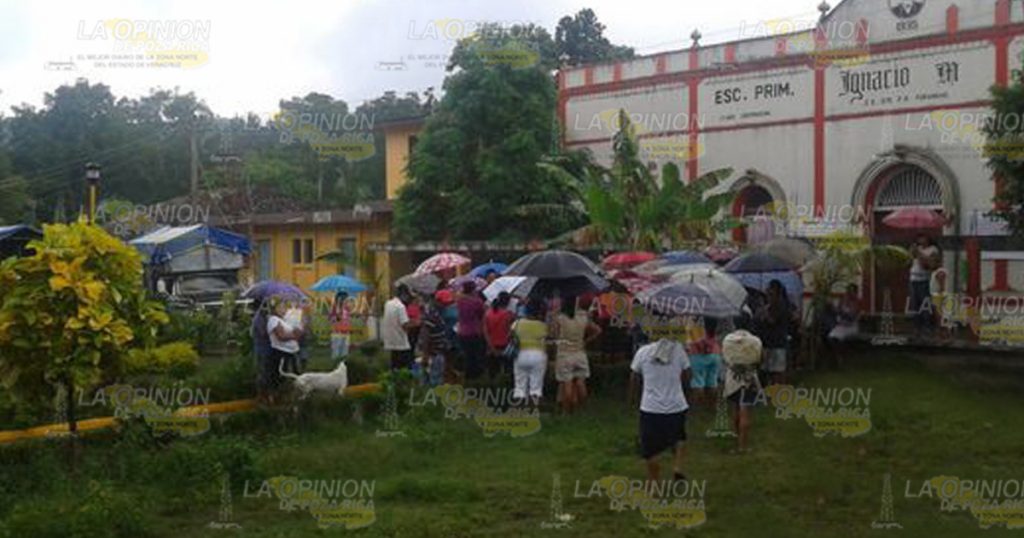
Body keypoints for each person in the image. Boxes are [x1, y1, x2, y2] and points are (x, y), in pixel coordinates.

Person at [629, 338, 691, 482]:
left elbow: (634, 378)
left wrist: (632, 400)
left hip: (650, 408)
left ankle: (654, 481)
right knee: (679, 437)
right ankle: (678, 468)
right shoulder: (678, 350)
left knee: (650, 449)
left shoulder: (642, 352)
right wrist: (687, 394)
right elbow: (688, 374)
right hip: (676, 405)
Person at [553, 295, 602, 414]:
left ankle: (566, 412)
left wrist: (556, 312)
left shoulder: (561, 318)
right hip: (580, 353)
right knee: (581, 382)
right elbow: (598, 330)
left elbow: (554, 333)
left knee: (567, 383)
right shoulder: (583, 317)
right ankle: (583, 408)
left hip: (564, 354)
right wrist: (586, 341)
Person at [722, 330, 763, 454]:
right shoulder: (754, 341)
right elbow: (759, 360)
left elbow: (725, 359)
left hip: (732, 381)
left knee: (735, 411)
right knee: (745, 413)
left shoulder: (728, 341)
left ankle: (737, 439)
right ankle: (742, 446)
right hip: (748, 380)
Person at [512, 298, 550, 408]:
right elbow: (547, 338)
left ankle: (519, 409)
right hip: (538, 355)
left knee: (519, 384)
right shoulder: (542, 326)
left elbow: (510, 336)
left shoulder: (517, 323)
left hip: (520, 354)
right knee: (536, 385)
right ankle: (534, 409)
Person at [757, 280, 791, 386]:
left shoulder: (781, 305)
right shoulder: (769, 306)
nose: (768, 293)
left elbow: (772, 321)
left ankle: (779, 391)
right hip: (768, 341)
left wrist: (765, 310)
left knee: (777, 370)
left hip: (777, 342)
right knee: (768, 369)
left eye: (770, 291)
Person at [267, 297, 304, 391]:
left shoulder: (284, 320)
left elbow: (295, 331)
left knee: (294, 375)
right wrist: (294, 336)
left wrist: (297, 331)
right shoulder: (274, 320)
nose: (283, 310)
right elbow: (281, 336)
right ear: (274, 309)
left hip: (292, 351)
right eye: (280, 307)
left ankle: (294, 392)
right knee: (282, 375)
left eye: (284, 307)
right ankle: (279, 394)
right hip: (281, 353)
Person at [909, 234, 941, 338]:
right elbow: (910, 260)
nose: (920, 240)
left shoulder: (933, 250)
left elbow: (927, 265)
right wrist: (913, 251)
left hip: (924, 280)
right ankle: (916, 328)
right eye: (919, 237)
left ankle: (927, 328)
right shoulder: (918, 248)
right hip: (913, 279)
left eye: (923, 237)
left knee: (925, 305)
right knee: (914, 305)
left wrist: (919, 254)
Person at [688, 318, 722, 408]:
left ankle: (698, 406)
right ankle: (712, 404)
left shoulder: (695, 328)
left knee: (698, 380)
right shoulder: (715, 327)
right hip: (715, 354)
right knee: (712, 381)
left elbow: (693, 341)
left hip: (697, 355)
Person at [456, 281, 487, 382]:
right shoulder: (477, 302)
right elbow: (483, 315)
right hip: (475, 331)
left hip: (462, 331)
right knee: (476, 356)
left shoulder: (460, 301)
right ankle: (476, 378)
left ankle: (467, 378)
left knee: (467, 355)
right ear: (473, 289)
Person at [484, 292, 516, 380]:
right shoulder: (509, 315)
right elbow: (512, 331)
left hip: (491, 346)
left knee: (492, 373)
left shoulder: (488, 314)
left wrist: (490, 347)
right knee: (507, 372)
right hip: (506, 346)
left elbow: (486, 332)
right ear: (508, 302)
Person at [827, 284, 861, 368]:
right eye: (849, 291)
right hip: (841, 325)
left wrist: (841, 312)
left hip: (851, 326)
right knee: (830, 337)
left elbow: (851, 317)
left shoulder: (856, 303)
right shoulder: (842, 301)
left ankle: (840, 357)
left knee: (839, 338)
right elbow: (837, 312)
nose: (850, 293)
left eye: (852, 291)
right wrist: (832, 307)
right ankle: (837, 357)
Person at [382, 284, 415, 370]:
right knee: (404, 370)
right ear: (404, 295)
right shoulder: (400, 307)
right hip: (401, 343)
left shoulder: (388, 304)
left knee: (394, 367)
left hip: (391, 342)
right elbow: (405, 325)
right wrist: (417, 323)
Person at [421, 293, 450, 387]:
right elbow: (426, 335)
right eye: (444, 303)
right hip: (433, 353)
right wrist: (425, 354)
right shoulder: (431, 315)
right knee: (434, 380)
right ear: (437, 301)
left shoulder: (439, 313)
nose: (446, 305)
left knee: (437, 377)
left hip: (439, 351)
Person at [252, 299, 275, 405]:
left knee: (268, 372)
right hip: (262, 349)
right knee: (263, 373)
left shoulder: (264, 317)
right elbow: (263, 333)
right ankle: (262, 396)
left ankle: (266, 396)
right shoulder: (259, 319)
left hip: (267, 349)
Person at [329, 291, 352, 360]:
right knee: (336, 351)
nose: (347, 301)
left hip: (346, 332)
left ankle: (343, 364)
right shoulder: (335, 308)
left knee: (345, 351)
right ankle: (335, 364)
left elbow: (348, 320)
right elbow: (331, 319)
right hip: (337, 333)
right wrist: (337, 317)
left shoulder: (347, 309)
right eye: (346, 299)